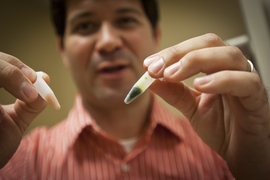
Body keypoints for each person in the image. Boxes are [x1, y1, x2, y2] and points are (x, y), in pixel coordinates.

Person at [0, 0, 269, 179]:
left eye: (126, 20)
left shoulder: (221, 152)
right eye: (85, 26)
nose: (107, 42)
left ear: (156, 36)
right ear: (63, 50)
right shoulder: (19, 163)